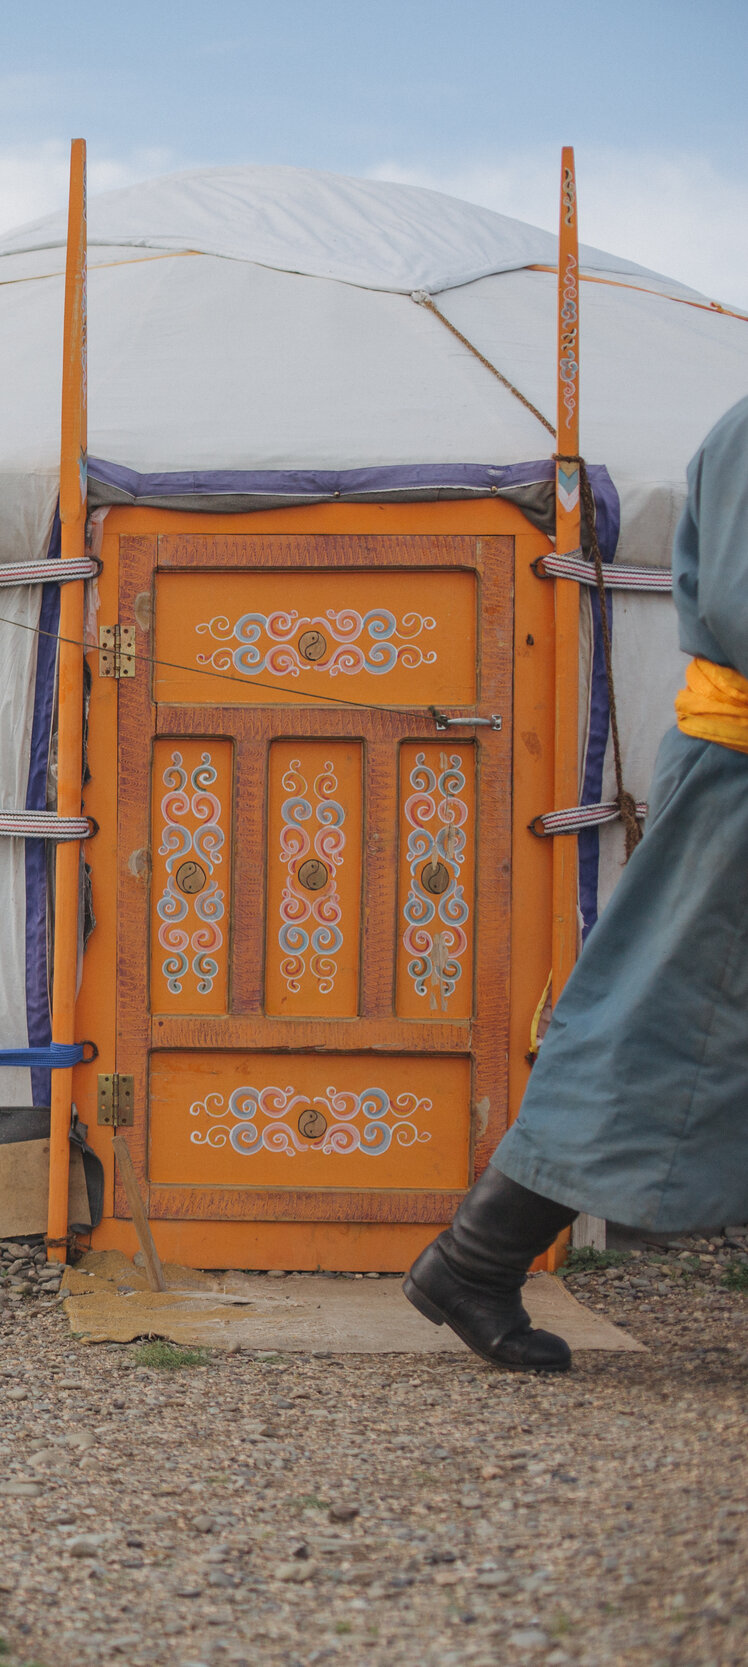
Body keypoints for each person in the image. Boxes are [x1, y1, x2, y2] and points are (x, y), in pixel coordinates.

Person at [406, 395, 748, 1371]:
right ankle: (474, 1257)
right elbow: (741, 606)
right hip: (737, 779)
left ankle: (473, 1258)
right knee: (652, 1024)